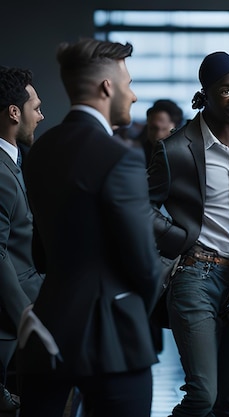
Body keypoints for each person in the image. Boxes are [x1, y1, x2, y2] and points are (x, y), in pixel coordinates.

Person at [17, 38, 162, 417]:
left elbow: (41, 252)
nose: (132, 95)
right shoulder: (120, 158)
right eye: (128, 84)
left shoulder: (39, 152)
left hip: (47, 327)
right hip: (113, 339)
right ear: (107, 87)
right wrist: (131, 311)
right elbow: (145, 266)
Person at [148, 51, 229, 417]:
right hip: (195, 276)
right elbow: (139, 206)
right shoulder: (175, 149)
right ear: (206, 92)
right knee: (203, 395)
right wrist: (178, 238)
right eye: (226, 91)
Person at [0, 66, 45, 412]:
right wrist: (27, 315)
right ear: (14, 113)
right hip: (10, 327)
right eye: (36, 108)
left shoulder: (15, 161)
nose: (41, 116)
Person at [136, 98, 184, 166]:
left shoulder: (185, 155)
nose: (158, 135)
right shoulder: (138, 153)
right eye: (152, 129)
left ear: (176, 128)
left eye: (164, 129)